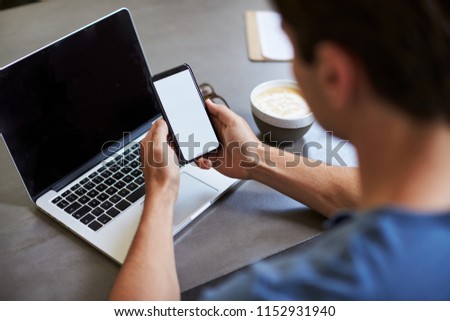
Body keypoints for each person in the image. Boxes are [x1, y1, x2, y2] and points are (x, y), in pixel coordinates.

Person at [109, 0, 450, 300]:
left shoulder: (299, 292)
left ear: (334, 76)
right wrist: (256, 158)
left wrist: (162, 192)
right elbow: (386, 201)